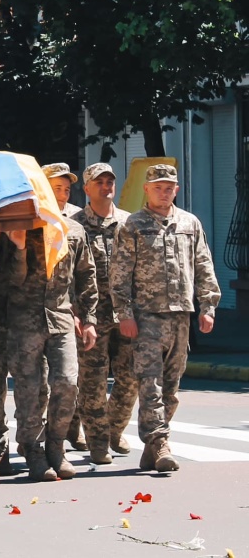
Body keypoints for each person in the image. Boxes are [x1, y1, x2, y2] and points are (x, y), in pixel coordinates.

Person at [110, 163, 221, 473]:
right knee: (150, 383)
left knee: (171, 388)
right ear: (146, 190)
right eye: (157, 187)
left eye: (168, 187)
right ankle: (160, 442)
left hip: (181, 316)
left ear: (176, 190)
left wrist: (208, 306)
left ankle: (152, 447)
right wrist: (124, 314)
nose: (163, 192)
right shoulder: (133, 225)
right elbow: (119, 275)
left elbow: (203, 265)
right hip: (146, 316)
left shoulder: (189, 223)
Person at [9, 215, 98, 482]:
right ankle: (33, 450)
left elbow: (86, 274)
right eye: (55, 191)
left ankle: (56, 445)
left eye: (65, 193)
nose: (62, 195)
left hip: (61, 317)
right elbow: (10, 280)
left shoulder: (74, 230)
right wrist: (19, 247)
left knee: (68, 382)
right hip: (24, 320)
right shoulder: (18, 224)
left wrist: (89, 319)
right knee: (30, 389)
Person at [71, 163, 137, 464]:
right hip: (91, 316)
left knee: (131, 377)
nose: (106, 186)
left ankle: (115, 428)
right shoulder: (74, 226)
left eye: (110, 181)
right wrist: (76, 313)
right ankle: (97, 441)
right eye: (99, 182)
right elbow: (67, 273)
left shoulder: (129, 223)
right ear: (87, 188)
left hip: (126, 313)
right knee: (92, 381)